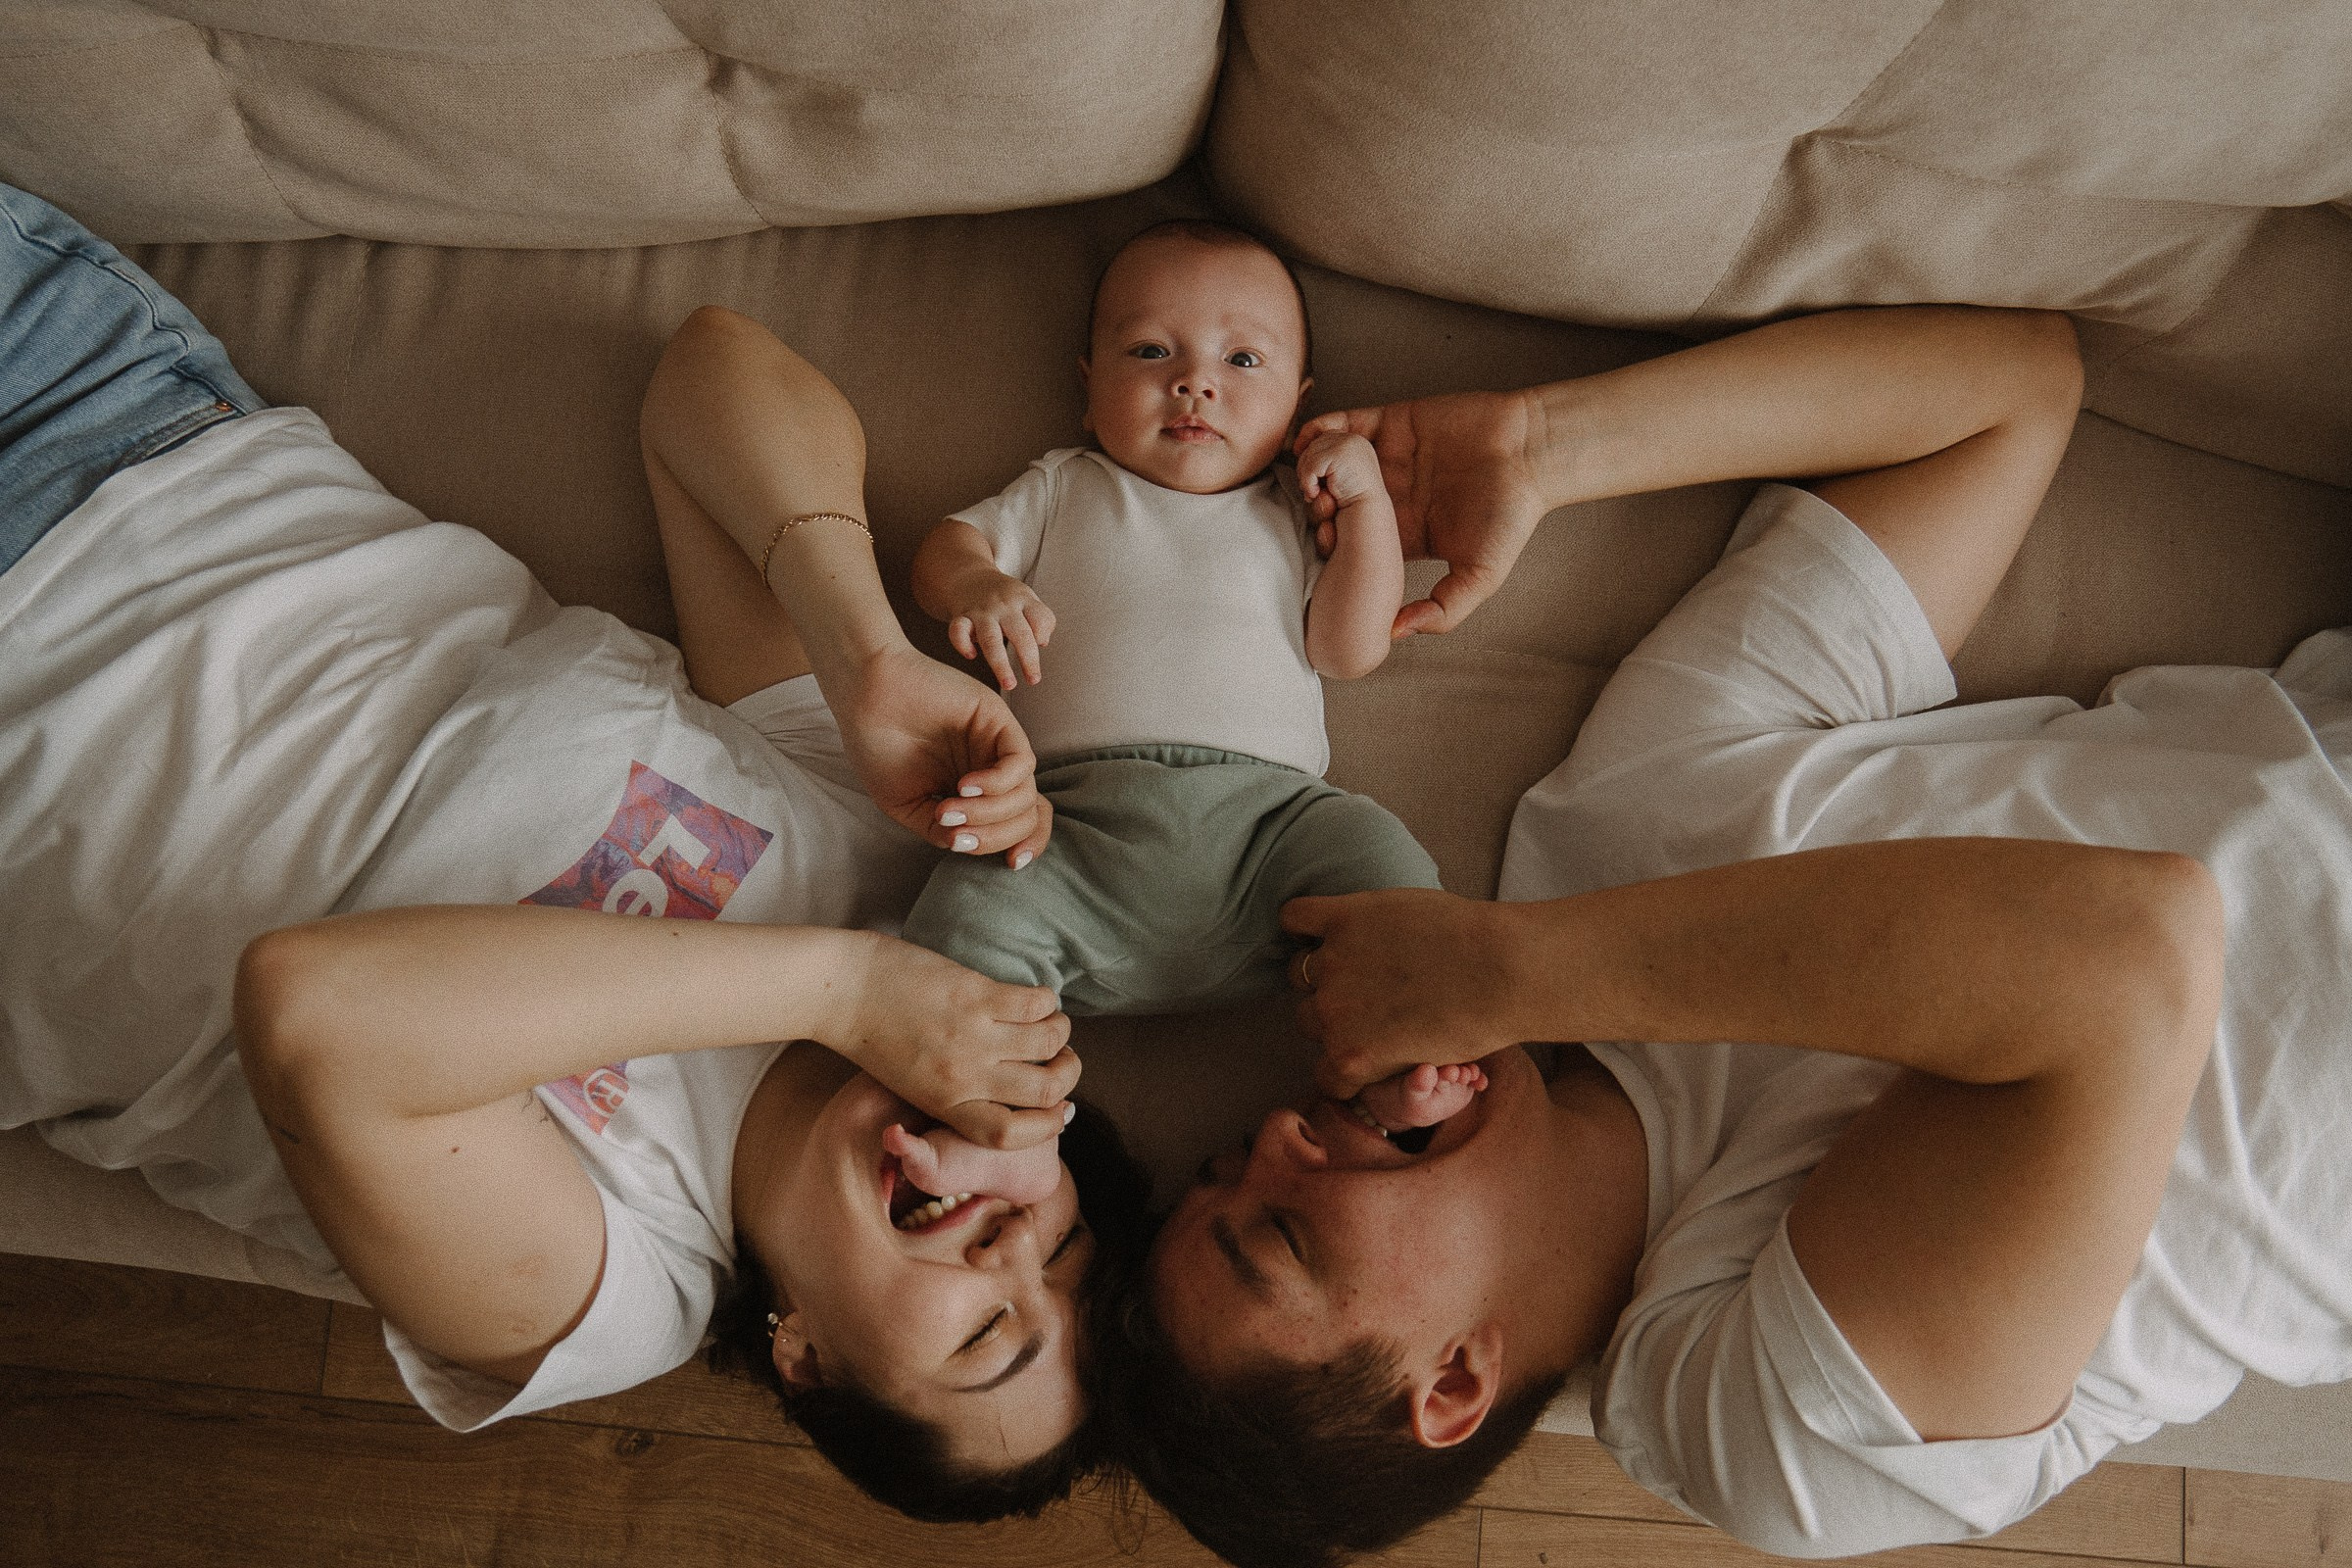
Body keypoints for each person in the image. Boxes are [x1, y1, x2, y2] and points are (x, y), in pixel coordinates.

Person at [1102, 302, 2352, 1565]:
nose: (1274, 1131)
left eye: (1226, 1160)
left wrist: (1542, 450)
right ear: (1449, 1385)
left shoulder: (1606, 826)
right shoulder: (1753, 1426)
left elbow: (2011, 388)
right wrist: (1509, 970)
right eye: (1279, 1233)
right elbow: (2131, 957)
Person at [0, 181, 1150, 1522]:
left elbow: (315, 1014)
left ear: (809, 1364)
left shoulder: (611, 1292)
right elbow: (710, 375)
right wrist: (864, 653)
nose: (1017, 1250)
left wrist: (845, 993)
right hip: (104, 423)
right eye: (1065, 1241)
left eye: (982, 1335)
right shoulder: (882, 867)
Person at [897, 220, 1444, 1021]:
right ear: (1087, 390)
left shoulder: (1294, 510)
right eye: (1152, 352)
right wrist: (975, 579)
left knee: (1391, 873)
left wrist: (1367, 510)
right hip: (1061, 828)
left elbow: (1349, 649)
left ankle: (1408, 1060)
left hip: (1274, 834)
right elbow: (945, 550)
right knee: (962, 917)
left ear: (1299, 406)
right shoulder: (1062, 487)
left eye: (1242, 359)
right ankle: (984, 1096)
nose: (1195, 383)